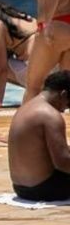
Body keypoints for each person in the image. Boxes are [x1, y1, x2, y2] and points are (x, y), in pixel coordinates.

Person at [8, 70, 70, 200]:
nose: (64, 109)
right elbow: (63, 162)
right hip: (44, 189)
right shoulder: (51, 116)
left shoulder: (25, 108)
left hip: (20, 188)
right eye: (68, 104)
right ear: (63, 94)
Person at [0, 0, 37, 103]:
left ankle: (35, 90)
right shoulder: (23, 17)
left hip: (37, 76)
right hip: (54, 72)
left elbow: (1, 68)